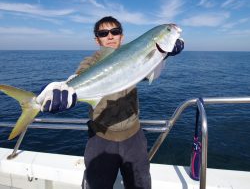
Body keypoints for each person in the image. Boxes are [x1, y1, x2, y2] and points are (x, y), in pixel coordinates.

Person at [36, 16, 184, 189]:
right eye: (104, 33)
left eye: (115, 32)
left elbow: (150, 72)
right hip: (101, 139)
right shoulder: (90, 62)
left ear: (122, 36)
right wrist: (59, 90)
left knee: (141, 185)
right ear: (97, 39)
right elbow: (78, 77)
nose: (110, 36)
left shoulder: (133, 55)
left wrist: (163, 55)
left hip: (134, 137)